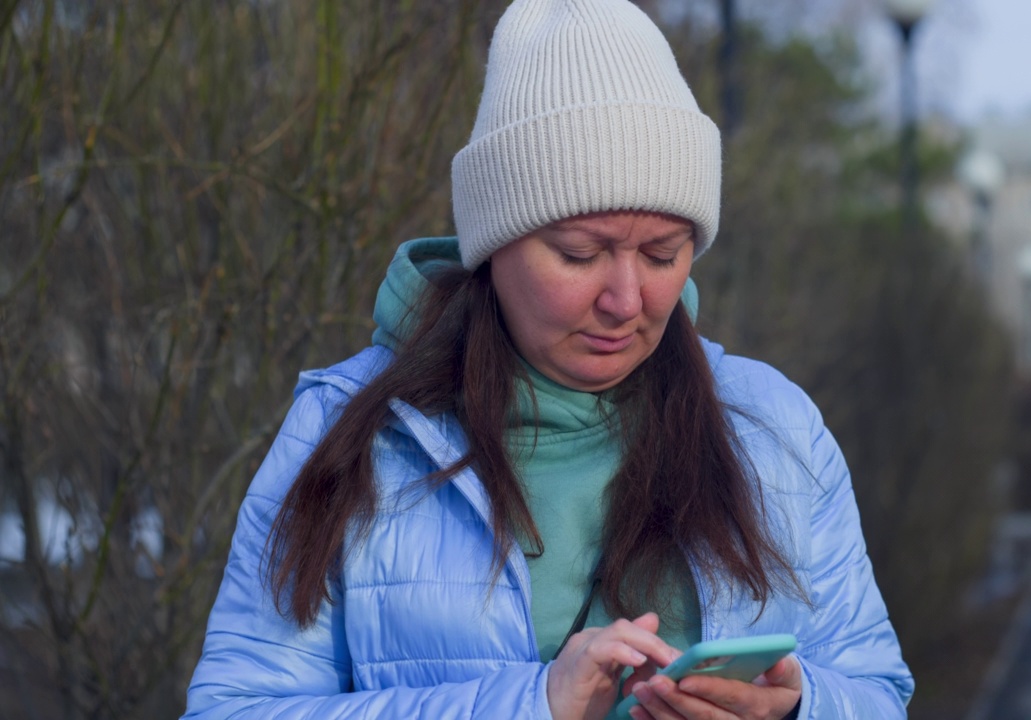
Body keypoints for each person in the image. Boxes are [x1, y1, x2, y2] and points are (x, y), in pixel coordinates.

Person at [181, 1, 914, 719]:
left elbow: (879, 692)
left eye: (663, 254)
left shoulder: (774, 425)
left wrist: (794, 710)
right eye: (580, 253)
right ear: (494, 243)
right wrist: (532, 705)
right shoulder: (351, 430)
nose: (627, 298)